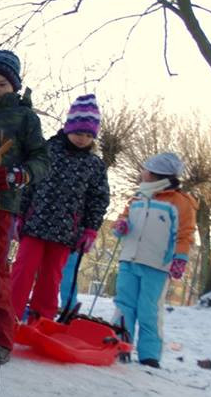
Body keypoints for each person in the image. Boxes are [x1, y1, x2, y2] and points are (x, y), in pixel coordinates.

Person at [0, 49, 50, 364]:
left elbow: (42, 159)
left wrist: (17, 175)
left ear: (13, 86)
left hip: (1, 202)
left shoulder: (24, 117)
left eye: (1, 85)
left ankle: (1, 337)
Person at [11, 94, 110, 323]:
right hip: (35, 224)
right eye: (79, 133)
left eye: (89, 135)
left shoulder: (94, 165)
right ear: (68, 128)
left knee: (51, 278)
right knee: (23, 271)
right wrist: (19, 214)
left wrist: (90, 230)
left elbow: (98, 200)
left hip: (66, 232)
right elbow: (29, 185)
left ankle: (41, 322)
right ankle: (9, 317)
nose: (83, 139)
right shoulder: (46, 151)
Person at [111, 152, 197, 368]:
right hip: (129, 259)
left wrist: (180, 257)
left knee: (148, 309)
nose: (143, 172)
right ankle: (119, 346)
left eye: (146, 170)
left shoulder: (180, 202)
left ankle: (149, 354)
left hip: (157, 265)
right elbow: (124, 218)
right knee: (124, 305)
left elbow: (185, 233)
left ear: (156, 174)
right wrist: (121, 225)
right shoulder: (138, 197)